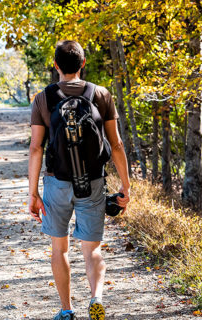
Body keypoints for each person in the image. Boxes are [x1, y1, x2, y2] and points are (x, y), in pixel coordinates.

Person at [27, 40, 131, 320]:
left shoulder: (43, 98)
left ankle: (66, 310)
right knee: (92, 249)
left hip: (56, 183)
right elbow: (117, 144)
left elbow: (36, 147)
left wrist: (33, 192)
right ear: (83, 63)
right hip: (93, 182)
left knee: (59, 249)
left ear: (56, 65)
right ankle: (96, 298)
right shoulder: (101, 94)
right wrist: (126, 185)